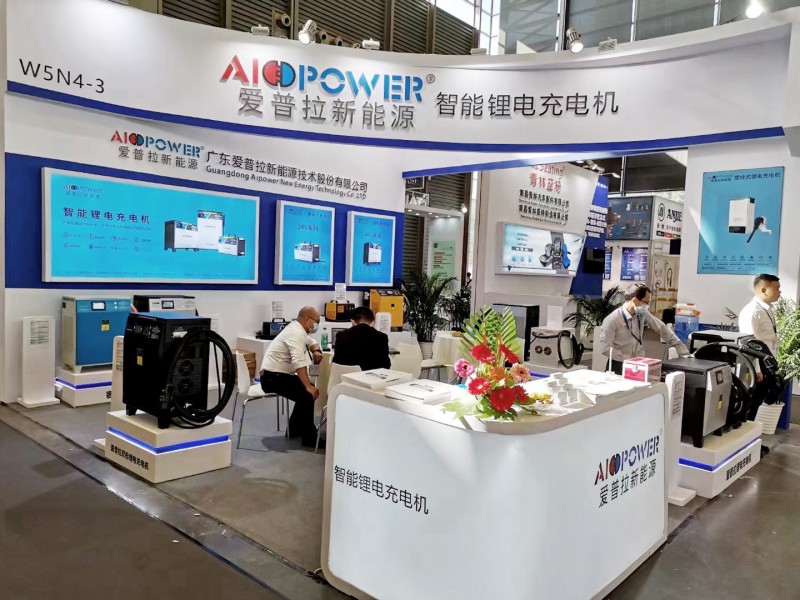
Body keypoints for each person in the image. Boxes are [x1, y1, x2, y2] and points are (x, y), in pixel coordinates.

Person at [259, 306, 324, 449]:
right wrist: (308, 386)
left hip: (275, 376)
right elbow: (298, 362)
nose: (317, 325)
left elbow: (311, 341)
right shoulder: (295, 333)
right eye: (316, 321)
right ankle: (309, 438)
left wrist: (316, 351)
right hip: (272, 378)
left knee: (305, 392)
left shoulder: (297, 329)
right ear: (306, 319)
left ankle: (294, 429)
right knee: (307, 393)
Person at [599, 284, 690, 375]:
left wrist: (681, 349)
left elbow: (661, 328)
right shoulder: (612, 320)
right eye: (646, 302)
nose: (647, 306)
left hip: (637, 364)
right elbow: (605, 348)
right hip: (618, 365)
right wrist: (626, 359)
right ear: (635, 300)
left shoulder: (642, 314)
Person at [332, 306, 391, 372]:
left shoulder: (341, 335)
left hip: (347, 376)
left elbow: (336, 362)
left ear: (352, 322)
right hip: (373, 377)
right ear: (373, 323)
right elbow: (386, 365)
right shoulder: (382, 337)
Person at [738, 273, 781, 361]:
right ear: (764, 290)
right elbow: (749, 344)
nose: (780, 292)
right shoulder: (752, 311)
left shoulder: (766, 309)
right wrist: (757, 368)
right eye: (776, 289)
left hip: (768, 360)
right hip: (759, 364)